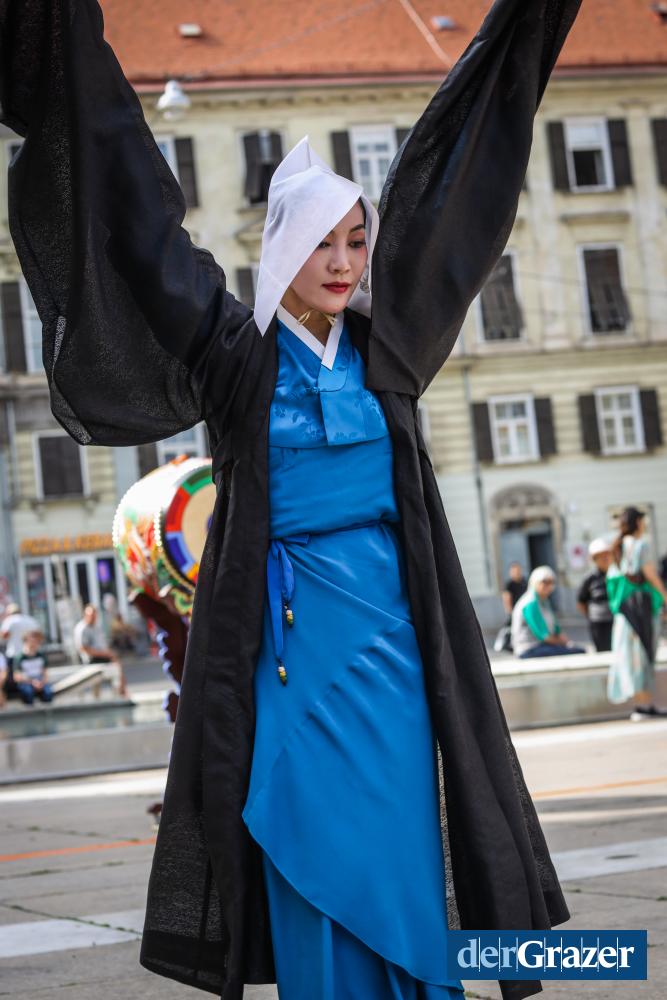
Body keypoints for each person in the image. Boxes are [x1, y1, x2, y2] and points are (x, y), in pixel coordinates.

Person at [2, 1, 583, 997]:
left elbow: (467, 168)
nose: (345, 261)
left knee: (399, 838)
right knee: (303, 832)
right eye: (323, 243)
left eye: (357, 240)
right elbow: (139, 215)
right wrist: (62, 44)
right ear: (282, 250)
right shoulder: (237, 358)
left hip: (394, 643)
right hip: (286, 646)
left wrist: (535, 16)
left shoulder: (390, 347)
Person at [606, 507, 667, 720]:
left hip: (625, 611)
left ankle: (643, 705)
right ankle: (643, 706)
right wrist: (664, 595)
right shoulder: (640, 545)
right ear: (638, 522)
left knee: (631, 657)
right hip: (641, 609)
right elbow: (649, 574)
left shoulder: (617, 546)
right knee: (643, 654)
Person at [512, 566, 586, 659]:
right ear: (535, 582)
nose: (548, 586)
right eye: (544, 582)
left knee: (577, 650)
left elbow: (556, 629)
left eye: (551, 583)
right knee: (576, 652)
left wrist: (568, 643)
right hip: (529, 648)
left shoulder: (544, 601)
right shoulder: (530, 603)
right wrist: (564, 644)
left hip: (542, 646)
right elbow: (544, 635)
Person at [73, 605, 128, 697]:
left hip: (101, 656)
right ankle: (121, 690)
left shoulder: (96, 627)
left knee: (116, 664)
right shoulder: (82, 628)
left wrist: (108, 652)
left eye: (94, 616)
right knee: (115, 665)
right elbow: (83, 648)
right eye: (91, 616)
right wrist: (105, 654)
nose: (93, 618)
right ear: (85, 615)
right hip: (91, 659)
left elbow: (103, 644)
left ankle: (121, 690)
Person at [576, 538, 614, 652]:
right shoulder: (590, 578)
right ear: (594, 559)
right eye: (601, 557)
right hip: (599, 621)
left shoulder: (617, 574)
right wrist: (592, 615)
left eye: (607, 555)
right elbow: (581, 602)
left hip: (616, 619)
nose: (605, 559)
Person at [3, 630, 54, 706]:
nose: (34, 644)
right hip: (26, 682)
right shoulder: (19, 658)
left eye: (37, 641)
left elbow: (45, 673)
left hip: (40, 681)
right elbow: (17, 677)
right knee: (28, 692)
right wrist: (33, 682)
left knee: (48, 692)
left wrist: (41, 682)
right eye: (32, 641)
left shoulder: (41, 656)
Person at [0, 603, 39, 668]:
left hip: (14, 653)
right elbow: (38, 634)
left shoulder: (9, 620)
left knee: (15, 673)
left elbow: (4, 635)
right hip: (30, 653)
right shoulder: (29, 619)